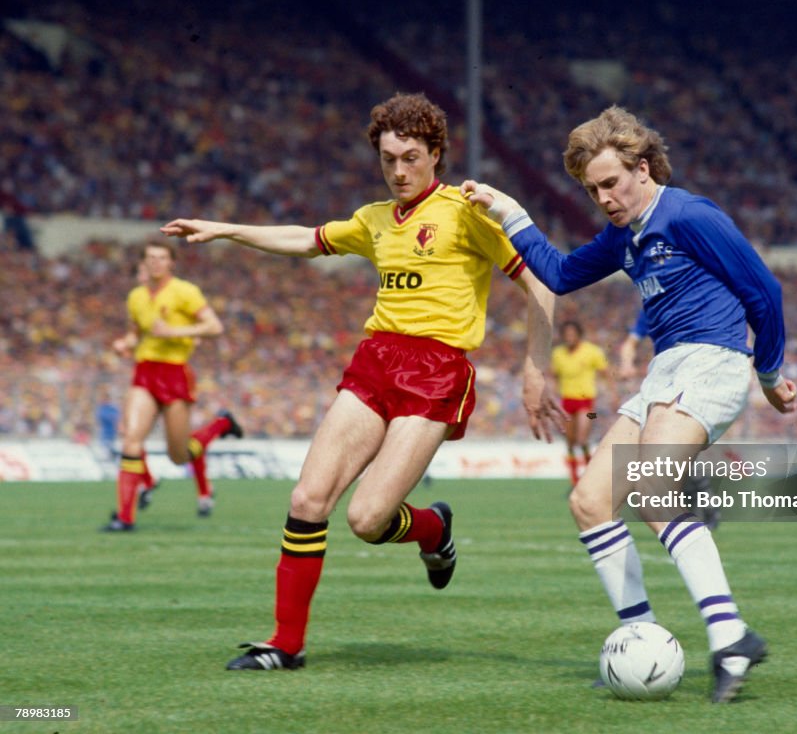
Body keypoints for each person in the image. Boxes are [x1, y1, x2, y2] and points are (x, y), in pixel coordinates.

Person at [161, 92, 563, 672]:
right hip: (375, 361)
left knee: (368, 519)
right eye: (387, 159)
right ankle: (286, 644)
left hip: (437, 371)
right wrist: (223, 229)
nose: (398, 170)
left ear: (435, 154)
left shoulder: (465, 212)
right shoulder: (375, 220)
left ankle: (432, 528)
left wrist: (533, 371)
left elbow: (541, 283)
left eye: (410, 157)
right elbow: (305, 239)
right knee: (307, 499)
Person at [462, 106, 797, 703]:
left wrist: (770, 373)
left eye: (612, 183)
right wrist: (507, 210)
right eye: (594, 190)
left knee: (650, 490)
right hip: (666, 373)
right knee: (589, 501)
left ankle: (730, 636)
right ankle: (639, 638)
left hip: (712, 362)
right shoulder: (623, 237)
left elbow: (764, 292)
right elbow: (560, 275)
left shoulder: (688, 214)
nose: (605, 198)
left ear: (643, 169)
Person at [104, 241, 244, 531]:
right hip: (145, 372)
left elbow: (214, 327)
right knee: (131, 439)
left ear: (171, 263)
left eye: (162, 257)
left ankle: (221, 424)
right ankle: (125, 518)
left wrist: (175, 332)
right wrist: (124, 344)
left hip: (175, 373)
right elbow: (134, 334)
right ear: (144, 262)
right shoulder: (136, 297)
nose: (156, 262)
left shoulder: (185, 291)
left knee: (179, 455)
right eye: (151, 257)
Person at [619, 310, 720, 530]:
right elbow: (630, 343)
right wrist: (627, 363)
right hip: (664, 386)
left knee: (679, 454)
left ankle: (700, 507)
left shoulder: (694, 304)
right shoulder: (652, 307)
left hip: (695, 383)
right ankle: (703, 504)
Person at [551, 320, 608, 486]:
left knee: (582, 439)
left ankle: (590, 476)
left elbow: (605, 373)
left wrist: (611, 394)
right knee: (570, 442)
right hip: (566, 402)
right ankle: (574, 480)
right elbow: (555, 376)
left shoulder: (592, 351)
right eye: (566, 335)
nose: (569, 337)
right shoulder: (558, 353)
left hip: (587, 403)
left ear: (578, 335)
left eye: (572, 334)